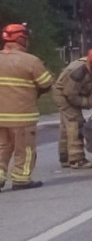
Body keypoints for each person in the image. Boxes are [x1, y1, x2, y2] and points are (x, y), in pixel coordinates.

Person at [0, 23, 54, 191]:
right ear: (22, 39)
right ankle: (21, 179)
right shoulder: (31, 61)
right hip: (22, 116)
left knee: (2, 148)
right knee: (25, 149)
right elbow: (46, 83)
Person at [52, 48, 92, 170]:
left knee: (66, 127)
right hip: (64, 95)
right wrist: (90, 103)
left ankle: (65, 157)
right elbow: (71, 95)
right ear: (91, 63)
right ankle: (77, 159)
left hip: (73, 93)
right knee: (75, 123)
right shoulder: (77, 72)